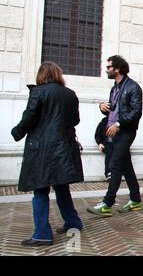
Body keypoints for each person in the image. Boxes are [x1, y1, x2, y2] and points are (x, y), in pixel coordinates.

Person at [11, 61, 83, 246]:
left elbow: (29, 117)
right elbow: (75, 120)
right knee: (61, 187)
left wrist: (17, 132)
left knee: (40, 190)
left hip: (42, 148)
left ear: (42, 74)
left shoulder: (38, 91)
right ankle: (73, 222)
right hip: (63, 147)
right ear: (58, 75)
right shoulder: (70, 94)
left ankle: (42, 233)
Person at [87, 55, 143, 217]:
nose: (106, 70)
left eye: (108, 67)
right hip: (114, 132)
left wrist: (118, 124)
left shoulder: (132, 87)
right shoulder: (115, 87)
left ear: (117, 69)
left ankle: (107, 203)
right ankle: (136, 200)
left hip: (125, 131)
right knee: (127, 167)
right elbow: (115, 108)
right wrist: (102, 106)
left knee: (115, 164)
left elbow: (136, 112)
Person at [95, 116, 113, 181]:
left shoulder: (119, 121)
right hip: (107, 143)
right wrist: (99, 143)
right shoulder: (103, 122)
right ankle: (108, 173)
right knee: (109, 154)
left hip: (117, 143)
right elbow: (97, 134)